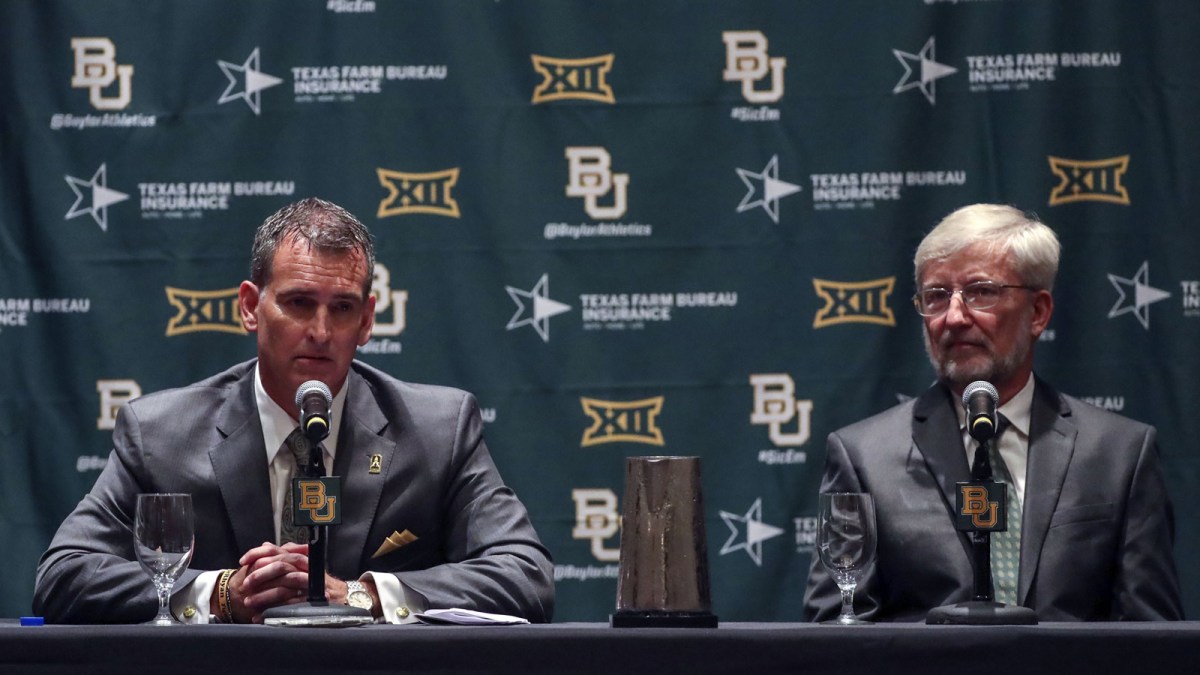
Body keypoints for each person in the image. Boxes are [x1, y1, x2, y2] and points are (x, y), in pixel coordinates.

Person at [34, 197, 554, 624]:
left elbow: (525, 574)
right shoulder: (161, 434)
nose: (322, 332)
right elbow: (64, 575)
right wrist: (219, 595)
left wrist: (363, 595)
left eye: (343, 308)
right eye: (299, 303)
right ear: (249, 307)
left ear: (369, 320)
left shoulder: (437, 431)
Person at [803, 203, 1183, 622]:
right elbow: (839, 632)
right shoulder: (864, 457)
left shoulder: (1120, 454)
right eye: (936, 296)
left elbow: (1151, 638)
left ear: (1038, 313)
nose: (954, 316)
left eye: (981, 291)